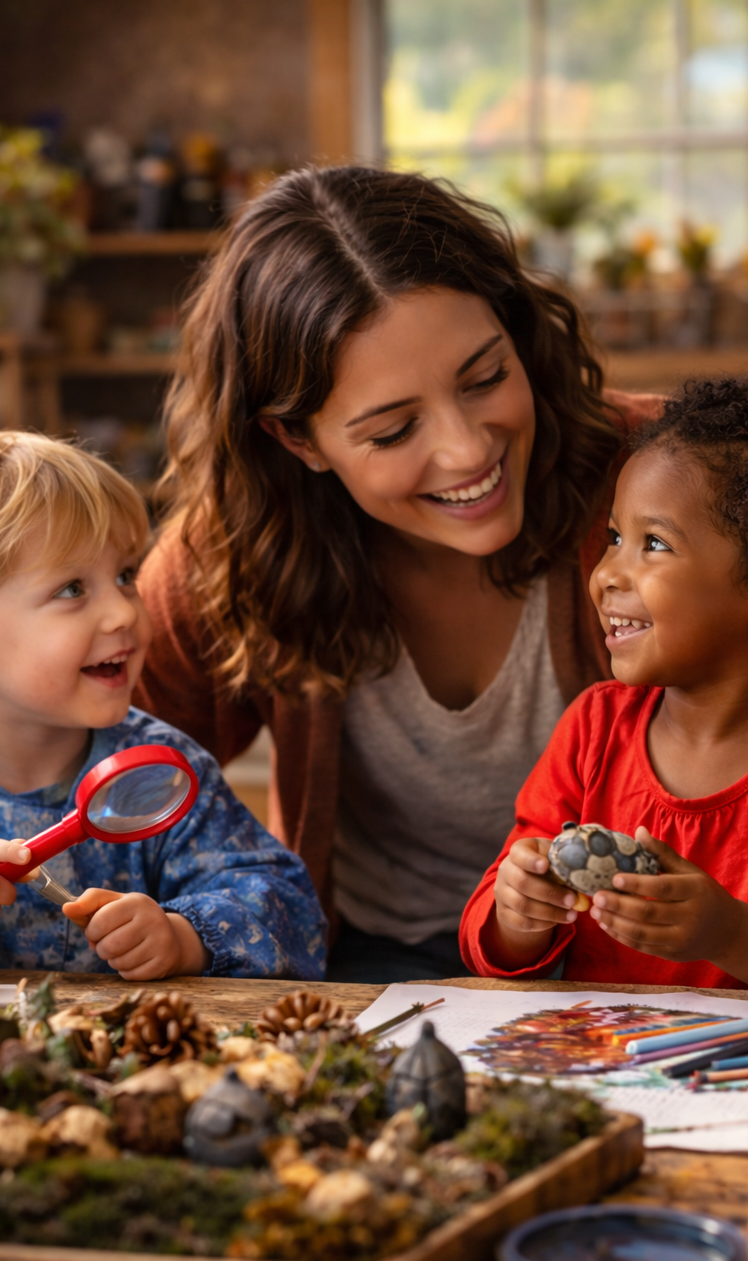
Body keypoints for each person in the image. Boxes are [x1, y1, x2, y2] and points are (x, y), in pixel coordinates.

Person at [135, 165, 660, 983]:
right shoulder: (229, 555)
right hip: (374, 968)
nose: (468, 449)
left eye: (486, 378)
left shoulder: (664, 476)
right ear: (297, 440)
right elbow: (119, 771)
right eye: (392, 431)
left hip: (642, 968)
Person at [0, 432, 326, 980]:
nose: (124, 612)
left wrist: (181, 938)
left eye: (125, 576)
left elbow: (285, 907)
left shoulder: (161, 770)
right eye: (72, 589)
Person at [460, 367, 748, 995]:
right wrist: (520, 912)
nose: (606, 574)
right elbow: (495, 946)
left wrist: (727, 935)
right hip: (597, 1047)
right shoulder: (594, 729)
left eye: (654, 544)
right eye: (615, 537)